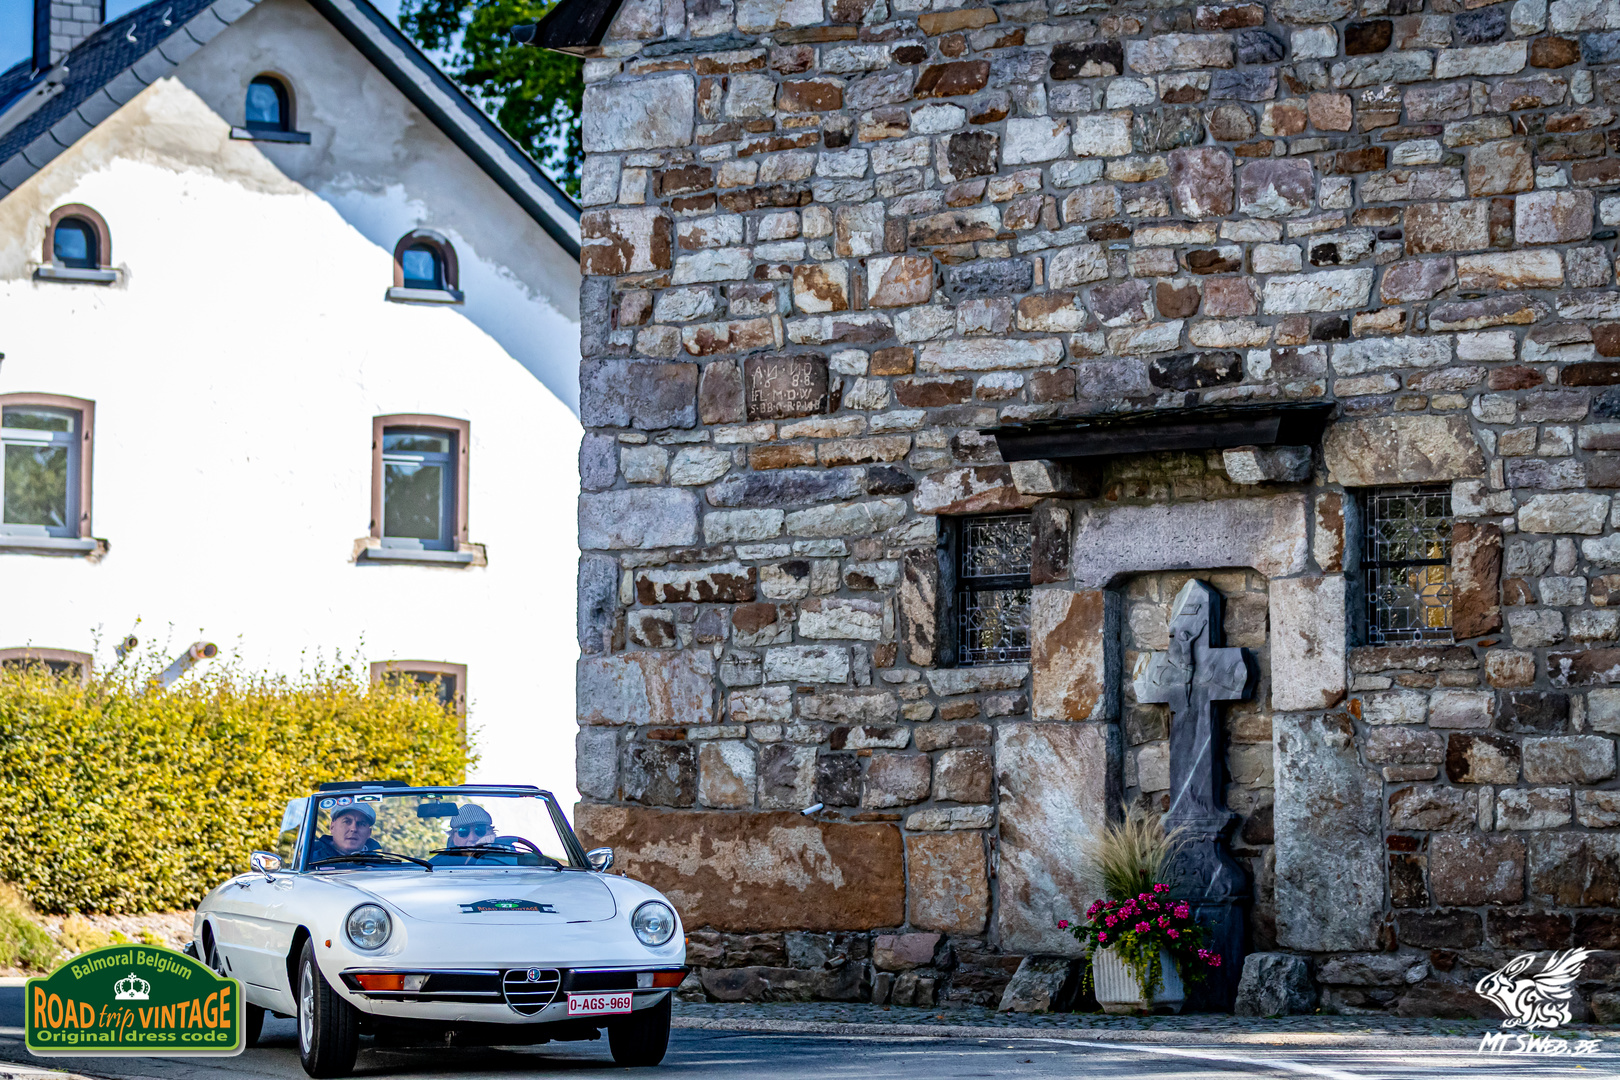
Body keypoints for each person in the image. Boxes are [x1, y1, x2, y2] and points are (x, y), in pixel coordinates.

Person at [310, 803, 381, 862]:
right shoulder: (311, 862)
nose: (354, 829)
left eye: (361, 824)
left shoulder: (381, 866)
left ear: (369, 833)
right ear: (332, 827)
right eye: (346, 821)